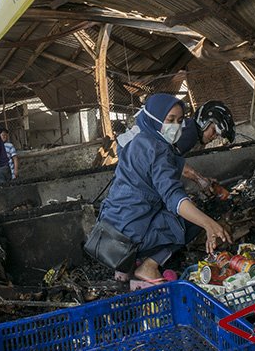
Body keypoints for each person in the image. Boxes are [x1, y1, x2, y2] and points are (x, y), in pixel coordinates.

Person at [98, 94, 232, 282]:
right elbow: (173, 196)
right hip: (129, 235)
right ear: (155, 117)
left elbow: (157, 175)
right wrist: (208, 223)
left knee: (154, 207)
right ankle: (148, 267)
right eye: (170, 120)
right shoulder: (158, 149)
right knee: (188, 222)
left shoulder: (137, 138)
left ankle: (124, 270)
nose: (175, 126)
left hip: (107, 229)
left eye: (179, 120)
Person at [174, 101, 236, 193]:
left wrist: (204, 179)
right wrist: (199, 179)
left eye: (217, 135)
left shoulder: (196, 136)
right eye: (214, 131)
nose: (214, 137)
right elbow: (172, 159)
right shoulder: (190, 133)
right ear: (204, 123)